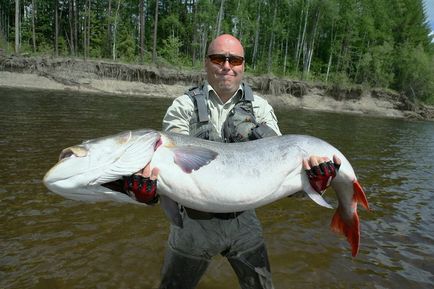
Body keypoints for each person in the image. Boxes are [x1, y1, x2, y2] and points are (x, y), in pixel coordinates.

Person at [123, 34, 340, 289]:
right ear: (206, 63)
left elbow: (282, 174)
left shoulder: (260, 108)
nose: (227, 65)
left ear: (243, 65)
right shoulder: (183, 107)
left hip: (244, 221)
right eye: (218, 58)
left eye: (234, 59)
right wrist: (148, 194)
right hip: (193, 224)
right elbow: (164, 170)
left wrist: (314, 183)